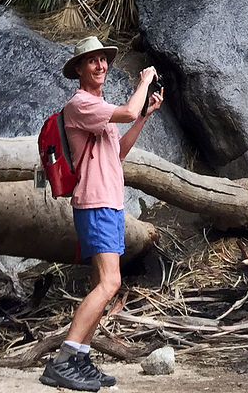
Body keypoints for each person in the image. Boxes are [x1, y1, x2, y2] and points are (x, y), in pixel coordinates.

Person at [40, 34, 163, 392]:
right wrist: (143, 82)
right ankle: (63, 361)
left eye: (103, 59)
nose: (101, 65)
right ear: (79, 69)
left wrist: (144, 117)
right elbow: (127, 110)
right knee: (111, 283)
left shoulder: (99, 108)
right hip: (95, 203)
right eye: (92, 60)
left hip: (107, 203)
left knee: (102, 285)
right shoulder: (80, 104)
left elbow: (117, 153)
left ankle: (80, 358)